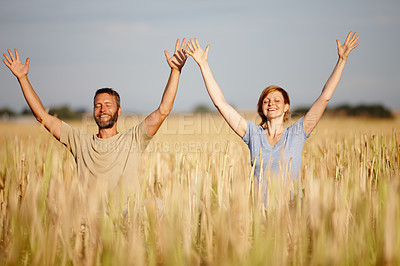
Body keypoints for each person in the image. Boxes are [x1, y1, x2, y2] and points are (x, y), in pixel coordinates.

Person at [186, 32, 360, 202]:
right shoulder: (253, 135)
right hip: (260, 216)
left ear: (286, 107)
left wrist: (342, 61)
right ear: (261, 108)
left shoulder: (298, 133)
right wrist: (203, 65)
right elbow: (220, 103)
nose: (271, 103)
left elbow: (324, 97)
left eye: (277, 100)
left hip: (291, 213)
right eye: (266, 101)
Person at [3, 38, 189, 194]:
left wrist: (175, 71)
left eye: (108, 105)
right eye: (98, 105)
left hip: (126, 225)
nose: (102, 109)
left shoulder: (133, 139)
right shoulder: (79, 141)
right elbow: (43, 116)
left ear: (119, 111)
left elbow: (163, 110)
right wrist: (22, 78)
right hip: (89, 226)